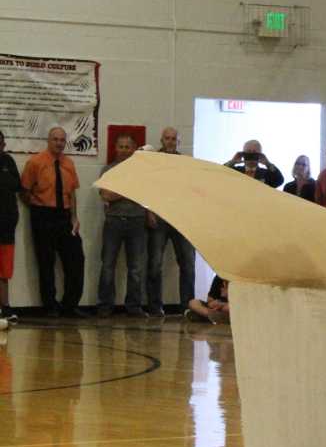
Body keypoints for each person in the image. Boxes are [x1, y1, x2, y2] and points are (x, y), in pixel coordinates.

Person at [20, 126, 85, 318]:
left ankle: (70, 305)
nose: (59, 143)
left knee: (76, 259)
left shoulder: (69, 164)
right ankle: (50, 306)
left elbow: (72, 193)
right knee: (46, 262)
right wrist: (37, 206)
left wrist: (74, 217)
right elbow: (24, 190)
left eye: (62, 140)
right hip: (42, 215)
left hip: (64, 216)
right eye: (55, 139)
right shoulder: (35, 162)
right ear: (48, 141)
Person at [146, 127, 196, 318]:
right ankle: (155, 306)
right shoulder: (153, 161)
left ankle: (187, 306)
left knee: (188, 263)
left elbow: (191, 190)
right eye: (167, 138)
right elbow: (145, 187)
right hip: (159, 216)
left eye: (173, 139)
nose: (170, 141)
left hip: (180, 218)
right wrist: (148, 211)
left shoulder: (184, 163)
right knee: (155, 264)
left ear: (178, 142)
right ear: (161, 140)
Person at [97, 133, 147, 319]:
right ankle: (105, 306)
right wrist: (130, 190)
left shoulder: (142, 172)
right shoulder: (108, 170)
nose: (124, 150)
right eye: (121, 146)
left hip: (137, 221)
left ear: (134, 149)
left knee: (136, 268)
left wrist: (118, 191)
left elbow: (145, 194)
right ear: (115, 148)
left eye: (128, 147)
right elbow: (106, 195)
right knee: (108, 265)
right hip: (114, 221)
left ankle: (134, 306)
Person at [0, 132, 21, 323]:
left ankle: (5, 307)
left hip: (6, 224)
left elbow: (16, 185)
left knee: (4, 270)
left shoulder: (8, 161)